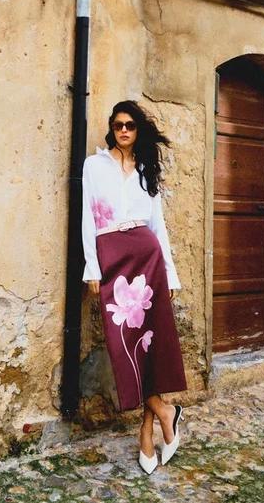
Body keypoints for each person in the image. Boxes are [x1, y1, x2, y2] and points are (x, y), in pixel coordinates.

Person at [81, 100, 188, 474]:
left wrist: (170, 273)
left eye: (129, 125)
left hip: (147, 256)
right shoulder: (94, 166)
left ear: (138, 129)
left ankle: (146, 432)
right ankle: (164, 410)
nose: (123, 130)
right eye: (118, 125)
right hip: (112, 257)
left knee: (150, 344)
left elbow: (158, 225)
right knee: (124, 344)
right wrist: (92, 268)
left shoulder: (146, 169)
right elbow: (87, 217)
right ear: (111, 129)